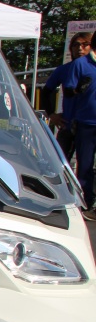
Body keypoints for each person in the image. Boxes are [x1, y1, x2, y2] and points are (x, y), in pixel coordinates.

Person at [57, 39, 96, 219]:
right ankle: (85, 203)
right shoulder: (80, 64)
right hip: (86, 123)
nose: (80, 48)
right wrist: (79, 90)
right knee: (85, 166)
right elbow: (68, 90)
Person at [44, 32, 92, 162]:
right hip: (69, 124)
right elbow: (46, 92)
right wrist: (51, 114)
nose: (80, 48)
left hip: (90, 126)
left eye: (85, 44)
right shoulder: (64, 69)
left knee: (86, 167)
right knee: (59, 164)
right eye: (76, 45)